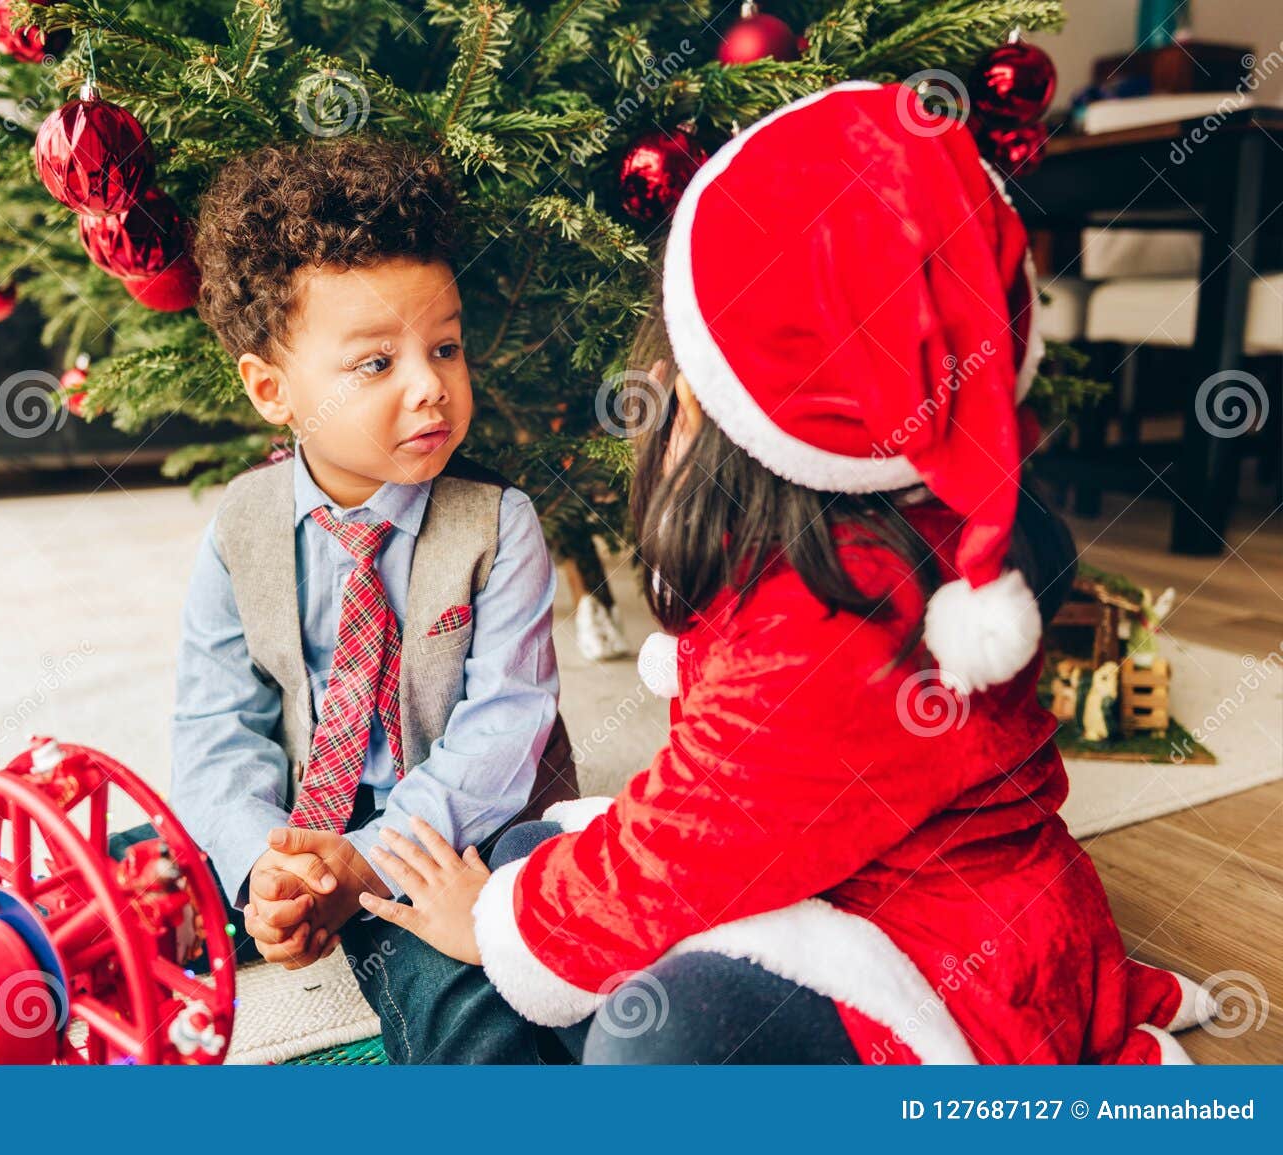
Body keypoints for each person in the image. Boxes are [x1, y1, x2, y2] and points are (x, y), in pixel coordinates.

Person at [359, 82, 1218, 1064]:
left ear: (722, 416)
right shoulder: (880, 519)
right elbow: (705, 811)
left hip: (936, 975)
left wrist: (497, 930)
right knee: (524, 865)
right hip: (854, 877)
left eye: (676, 376)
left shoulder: (828, 629)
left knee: (650, 1032)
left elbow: (693, 842)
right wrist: (522, 904)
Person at [0, 137, 576, 1066]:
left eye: (445, 346)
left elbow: (504, 728)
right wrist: (260, 859)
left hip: (430, 850)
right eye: (374, 363)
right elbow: (216, 721)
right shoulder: (243, 526)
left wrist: (369, 860)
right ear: (273, 390)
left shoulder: (496, 525)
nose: (431, 385)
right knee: (65, 915)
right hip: (281, 829)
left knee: (478, 1009)